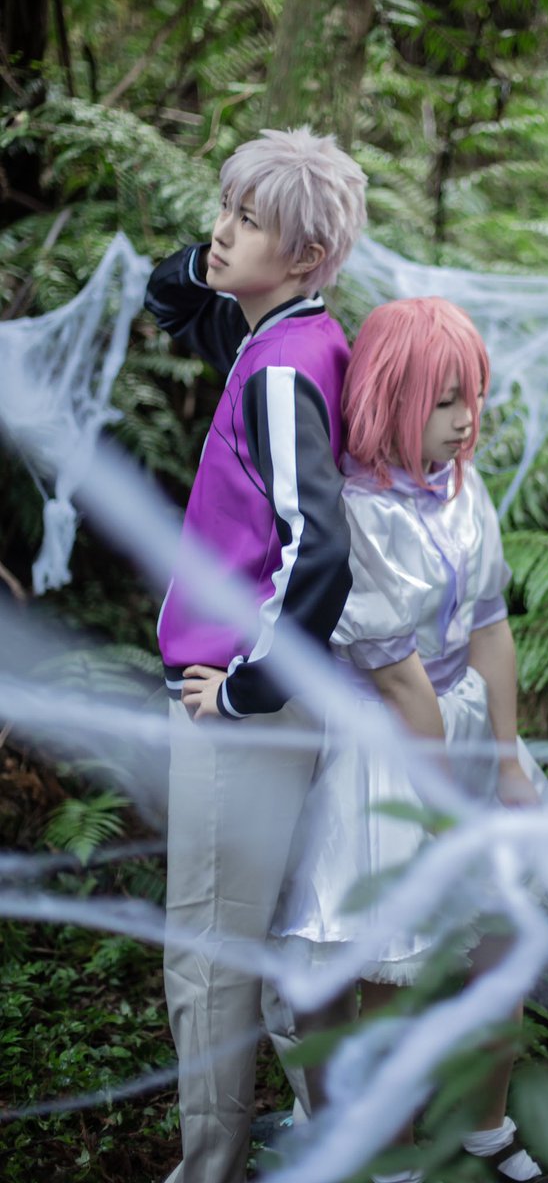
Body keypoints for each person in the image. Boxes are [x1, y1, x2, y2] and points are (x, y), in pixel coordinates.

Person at [271, 297, 548, 1183]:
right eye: (444, 400)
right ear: (391, 398)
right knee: (386, 961)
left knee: (500, 939)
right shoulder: (358, 513)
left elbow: (491, 626)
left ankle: (485, 1125)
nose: (467, 417)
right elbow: (399, 681)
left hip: (462, 723)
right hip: (388, 750)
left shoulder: (462, 489)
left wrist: (506, 761)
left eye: (473, 394)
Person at [144, 126, 367, 1183]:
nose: (221, 233)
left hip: (245, 710)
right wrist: (220, 254)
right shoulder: (292, 336)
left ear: (308, 257)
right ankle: (331, 1145)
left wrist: (245, 689)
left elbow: (319, 549)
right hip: (277, 701)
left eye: (247, 221)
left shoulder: (280, 370)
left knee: (208, 955)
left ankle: (210, 1169)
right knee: (279, 943)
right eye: (224, 210)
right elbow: (167, 295)